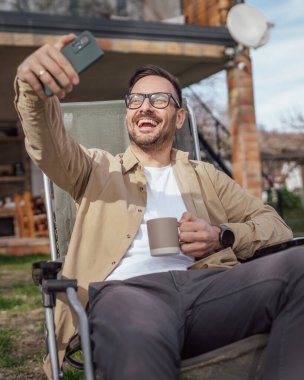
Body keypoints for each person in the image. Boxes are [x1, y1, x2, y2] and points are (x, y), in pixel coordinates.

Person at [15, 34, 304, 380]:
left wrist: (222, 236)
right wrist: (32, 89)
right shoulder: (95, 169)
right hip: (129, 294)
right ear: (128, 115)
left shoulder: (206, 177)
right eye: (136, 100)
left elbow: (275, 226)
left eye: (159, 99)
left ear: (179, 117)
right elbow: (48, 145)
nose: (145, 106)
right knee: (137, 332)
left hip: (211, 290)